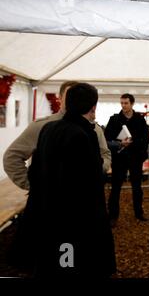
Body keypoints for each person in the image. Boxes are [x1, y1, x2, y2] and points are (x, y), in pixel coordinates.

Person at [10, 83, 116, 277]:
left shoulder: (48, 129)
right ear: (93, 107)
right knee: (70, 267)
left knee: (51, 265)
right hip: (73, 220)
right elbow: (89, 184)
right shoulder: (83, 134)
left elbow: (40, 168)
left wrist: (37, 187)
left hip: (48, 213)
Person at [3, 81, 111, 191]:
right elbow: (12, 157)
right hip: (48, 201)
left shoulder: (93, 128)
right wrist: (33, 186)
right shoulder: (41, 126)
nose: (74, 100)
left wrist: (96, 172)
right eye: (70, 95)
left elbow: (105, 153)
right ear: (60, 98)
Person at [105, 94, 149, 225]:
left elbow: (145, 139)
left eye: (126, 103)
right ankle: (113, 215)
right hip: (119, 158)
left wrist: (133, 143)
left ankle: (139, 212)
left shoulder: (140, 119)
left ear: (132, 103)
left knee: (137, 187)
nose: (123, 106)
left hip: (135, 158)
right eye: (122, 103)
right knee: (116, 187)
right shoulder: (114, 119)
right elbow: (107, 138)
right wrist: (120, 143)